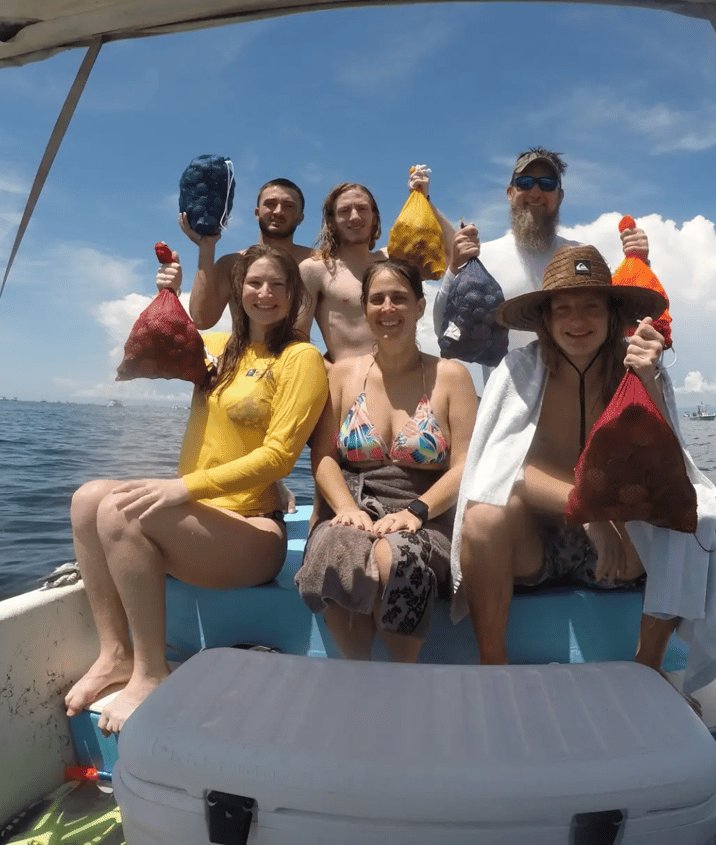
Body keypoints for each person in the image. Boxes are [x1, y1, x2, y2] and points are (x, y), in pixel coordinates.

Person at [64, 244, 328, 733]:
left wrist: (184, 487)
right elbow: (157, 346)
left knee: (122, 513)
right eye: (254, 283)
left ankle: (150, 674)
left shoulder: (301, 359)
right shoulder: (221, 350)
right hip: (200, 519)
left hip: (251, 532)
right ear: (238, 291)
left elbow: (279, 457)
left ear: (295, 297)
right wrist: (168, 293)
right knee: (87, 500)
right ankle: (116, 653)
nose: (264, 293)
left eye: (277, 285)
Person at [452, 244, 716, 698]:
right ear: (546, 317)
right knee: (481, 519)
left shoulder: (638, 367)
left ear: (614, 313)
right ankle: (493, 665)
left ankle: (648, 666)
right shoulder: (520, 367)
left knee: (695, 515)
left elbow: (668, 465)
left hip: (622, 548)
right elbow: (503, 468)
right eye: (564, 309)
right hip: (537, 542)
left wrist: (650, 379)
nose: (577, 321)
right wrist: (590, 513)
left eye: (591, 307)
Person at [295, 258, 478, 662]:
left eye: (399, 298)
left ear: (419, 306)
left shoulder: (452, 376)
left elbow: (466, 464)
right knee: (340, 545)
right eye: (377, 299)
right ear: (365, 310)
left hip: (429, 514)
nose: (387, 309)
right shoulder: (342, 375)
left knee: (396, 555)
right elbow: (323, 456)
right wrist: (344, 508)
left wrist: (417, 511)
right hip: (357, 503)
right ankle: (358, 671)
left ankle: (401, 672)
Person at [431, 147, 649, 391]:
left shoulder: (584, 256)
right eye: (524, 182)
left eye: (547, 183)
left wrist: (640, 264)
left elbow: (622, 322)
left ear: (560, 196)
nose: (535, 192)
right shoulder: (482, 259)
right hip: (510, 414)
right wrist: (453, 269)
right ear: (510, 193)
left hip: (583, 405)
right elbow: (444, 328)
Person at [298, 166, 455, 362]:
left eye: (362, 209)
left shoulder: (393, 259)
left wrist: (424, 200)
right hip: (348, 386)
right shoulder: (315, 270)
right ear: (332, 221)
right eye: (344, 211)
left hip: (405, 380)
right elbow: (297, 340)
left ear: (374, 217)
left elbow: (453, 256)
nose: (355, 216)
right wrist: (335, 374)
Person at [183, 177, 313, 329]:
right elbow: (202, 320)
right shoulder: (232, 264)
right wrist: (206, 247)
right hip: (243, 352)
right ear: (257, 213)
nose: (278, 211)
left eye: (289, 206)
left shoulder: (315, 263)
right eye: (270, 204)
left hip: (298, 352)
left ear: (300, 218)